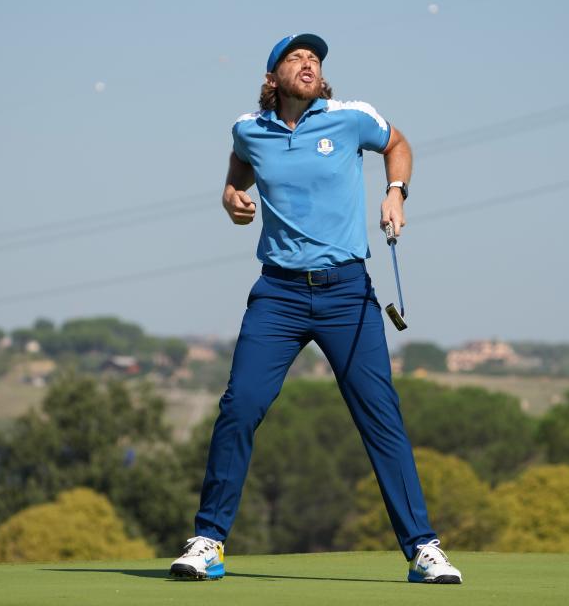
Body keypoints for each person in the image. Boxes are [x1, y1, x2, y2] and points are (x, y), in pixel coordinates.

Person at [169, 33, 462, 584]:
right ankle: (208, 541)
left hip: (346, 291)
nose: (309, 64)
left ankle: (424, 549)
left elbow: (398, 143)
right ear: (272, 77)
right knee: (240, 406)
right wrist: (231, 196)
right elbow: (239, 169)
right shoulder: (249, 129)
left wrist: (396, 190)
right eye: (296, 58)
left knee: (380, 417)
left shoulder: (350, 118)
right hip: (277, 295)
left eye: (315, 59)